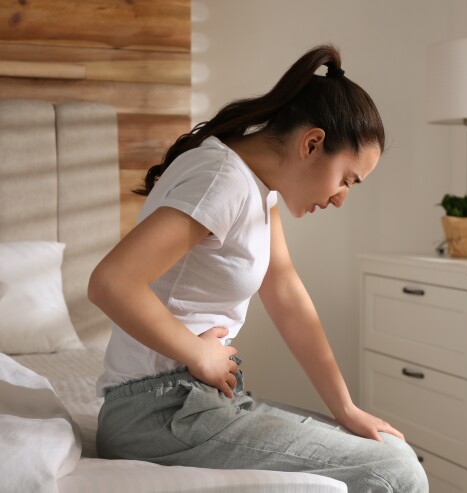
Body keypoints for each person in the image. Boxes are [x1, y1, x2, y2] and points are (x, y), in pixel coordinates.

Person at [89, 44, 428, 492]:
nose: (342, 196)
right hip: (158, 412)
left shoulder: (255, 186)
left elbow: (285, 293)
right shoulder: (222, 179)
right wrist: (199, 354)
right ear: (312, 143)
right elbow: (111, 282)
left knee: (394, 455)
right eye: (347, 178)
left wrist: (346, 407)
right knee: (395, 473)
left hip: (194, 403)